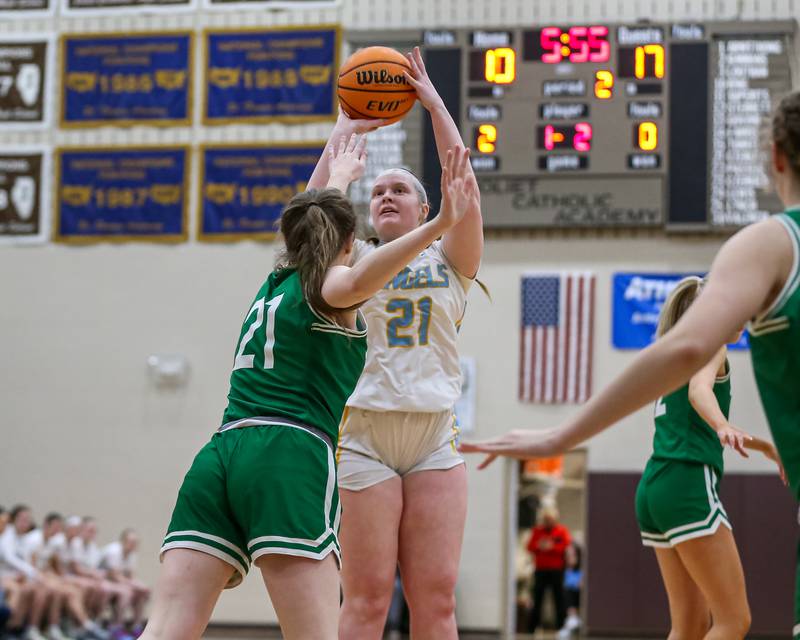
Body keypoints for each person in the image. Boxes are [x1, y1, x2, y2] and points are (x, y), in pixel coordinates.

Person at [460, 91, 800, 640]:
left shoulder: (761, 257)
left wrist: (756, 444)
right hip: (689, 478)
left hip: (656, 484)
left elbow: (685, 374)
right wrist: (723, 427)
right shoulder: (720, 335)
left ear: (775, 157)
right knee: (733, 620)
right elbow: (697, 387)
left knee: (688, 623)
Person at [137, 135, 477, 640]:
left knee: (165, 629)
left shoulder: (276, 282)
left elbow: (313, 212)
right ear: (347, 247)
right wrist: (442, 222)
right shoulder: (336, 287)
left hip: (220, 453)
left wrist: (341, 159)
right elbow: (347, 266)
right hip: (288, 452)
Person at [307, 46, 483, 640]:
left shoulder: (451, 256)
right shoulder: (349, 258)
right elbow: (312, 213)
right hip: (363, 435)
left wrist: (433, 102)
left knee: (435, 602)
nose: (384, 195)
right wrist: (344, 125)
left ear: (427, 207)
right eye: (377, 190)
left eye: (399, 190)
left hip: (434, 433)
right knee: (365, 599)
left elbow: (460, 169)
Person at [526, 506, 570, 633]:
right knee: (537, 599)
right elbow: (530, 547)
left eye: (550, 519)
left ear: (555, 519)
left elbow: (565, 547)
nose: (548, 522)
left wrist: (552, 547)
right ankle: (532, 628)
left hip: (557, 571)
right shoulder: (537, 532)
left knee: (559, 599)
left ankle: (561, 628)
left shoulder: (561, 531)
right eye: (546, 519)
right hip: (541, 571)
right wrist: (539, 546)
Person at [99, 529, 149, 635]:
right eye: (131, 542)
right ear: (122, 541)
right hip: (101, 581)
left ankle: (137, 626)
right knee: (126, 593)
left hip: (115, 582)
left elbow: (130, 577)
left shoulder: (132, 555)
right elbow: (114, 576)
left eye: (135, 543)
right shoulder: (114, 551)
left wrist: (142, 587)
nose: (133, 545)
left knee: (141, 593)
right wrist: (136, 585)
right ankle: (117, 626)